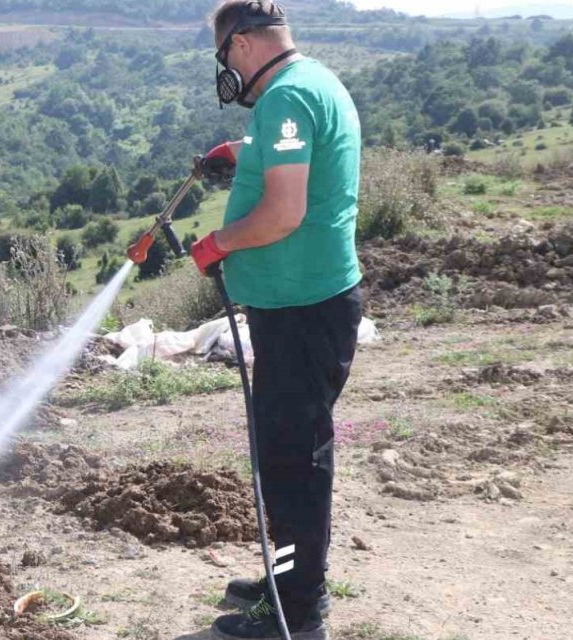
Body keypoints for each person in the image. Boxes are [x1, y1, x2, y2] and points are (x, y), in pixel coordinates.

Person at [189, 2, 363, 639]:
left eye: (224, 54)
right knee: (288, 451)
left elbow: (283, 214)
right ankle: (286, 582)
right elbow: (292, 159)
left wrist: (220, 243)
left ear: (241, 45)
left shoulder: (285, 99)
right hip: (305, 306)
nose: (226, 69)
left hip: (300, 309)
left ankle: (295, 612)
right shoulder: (311, 82)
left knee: (292, 460)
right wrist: (242, 152)